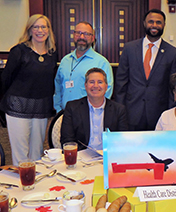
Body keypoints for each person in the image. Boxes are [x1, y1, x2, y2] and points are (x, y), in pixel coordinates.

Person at [0, 14, 57, 166]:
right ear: (29, 30)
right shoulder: (19, 51)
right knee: (21, 154)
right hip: (18, 107)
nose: (40, 30)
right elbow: (5, 79)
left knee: (37, 152)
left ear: (48, 30)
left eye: (43, 26)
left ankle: (35, 185)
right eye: (36, 27)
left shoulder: (52, 54)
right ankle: (22, 185)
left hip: (41, 108)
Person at [115, 9, 176, 131]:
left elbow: (173, 88)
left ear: (164, 25)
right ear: (144, 23)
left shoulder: (172, 53)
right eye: (151, 22)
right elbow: (121, 83)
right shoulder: (129, 48)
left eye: (158, 22)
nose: (154, 25)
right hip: (131, 112)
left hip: (159, 114)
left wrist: (171, 114)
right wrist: (120, 110)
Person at [61, 68, 128, 151]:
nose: (95, 86)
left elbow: (122, 141)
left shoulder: (119, 110)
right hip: (81, 157)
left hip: (108, 156)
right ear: (85, 86)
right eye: (91, 82)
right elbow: (67, 140)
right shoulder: (72, 108)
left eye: (100, 82)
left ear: (106, 86)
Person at [54, 21, 113, 113]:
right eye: (78, 33)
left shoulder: (101, 62)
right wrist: (58, 110)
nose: (81, 37)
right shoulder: (65, 61)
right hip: (64, 114)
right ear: (74, 35)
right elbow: (58, 88)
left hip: (90, 115)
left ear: (93, 38)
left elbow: (107, 91)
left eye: (86, 34)